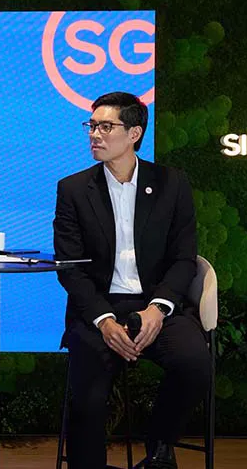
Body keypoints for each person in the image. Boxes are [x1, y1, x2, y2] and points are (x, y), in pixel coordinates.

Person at [53, 92, 211, 469]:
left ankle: (159, 449)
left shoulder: (172, 184)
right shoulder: (73, 189)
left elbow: (183, 259)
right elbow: (70, 267)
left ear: (134, 133)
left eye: (106, 127)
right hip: (98, 309)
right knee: (87, 396)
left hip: (156, 304)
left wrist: (158, 310)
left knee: (194, 364)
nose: (94, 134)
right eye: (92, 126)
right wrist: (104, 321)